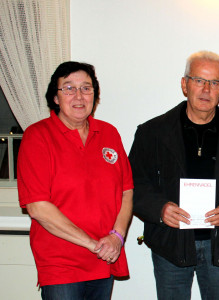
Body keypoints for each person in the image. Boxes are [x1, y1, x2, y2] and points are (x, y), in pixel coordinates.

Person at [129, 50, 219, 300]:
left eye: (214, 83)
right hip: (170, 244)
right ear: (184, 84)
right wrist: (160, 209)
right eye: (199, 80)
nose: (206, 89)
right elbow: (133, 183)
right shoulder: (152, 133)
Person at [17, 61, 134, 300]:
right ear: (56, 97)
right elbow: (37, 207)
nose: (79, 96)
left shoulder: (109, 133)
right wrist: (93, 245)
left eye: (86, 88)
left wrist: (117, 237)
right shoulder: (37, 136)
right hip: (62, 265)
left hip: (104, 259)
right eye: (68, 88)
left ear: (95, 95)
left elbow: (126, 191)